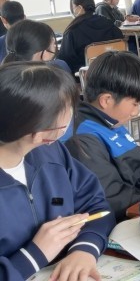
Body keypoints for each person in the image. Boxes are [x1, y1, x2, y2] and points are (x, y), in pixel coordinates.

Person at [0, 62, 115, 281]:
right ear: (37, 132)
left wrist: (85, 248)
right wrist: (34, 255)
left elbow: (95, 206)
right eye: (67, 109)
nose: (72, 114)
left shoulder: (50, 153)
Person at [65, 51, 140, 221]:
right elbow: (114, 200)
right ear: (106, 100)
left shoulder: (107, 120)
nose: (137, 111)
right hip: (118, 220)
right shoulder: (84, 139)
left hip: (131, 201)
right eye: (135, 103)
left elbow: (134, 180)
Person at [58, 0, 124, 74]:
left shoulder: (73, 30)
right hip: (114, 72)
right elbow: (121, 43)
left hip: (88, 75)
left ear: (79, 8)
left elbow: (65, 59)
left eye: (73, 7)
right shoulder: (108, 23)